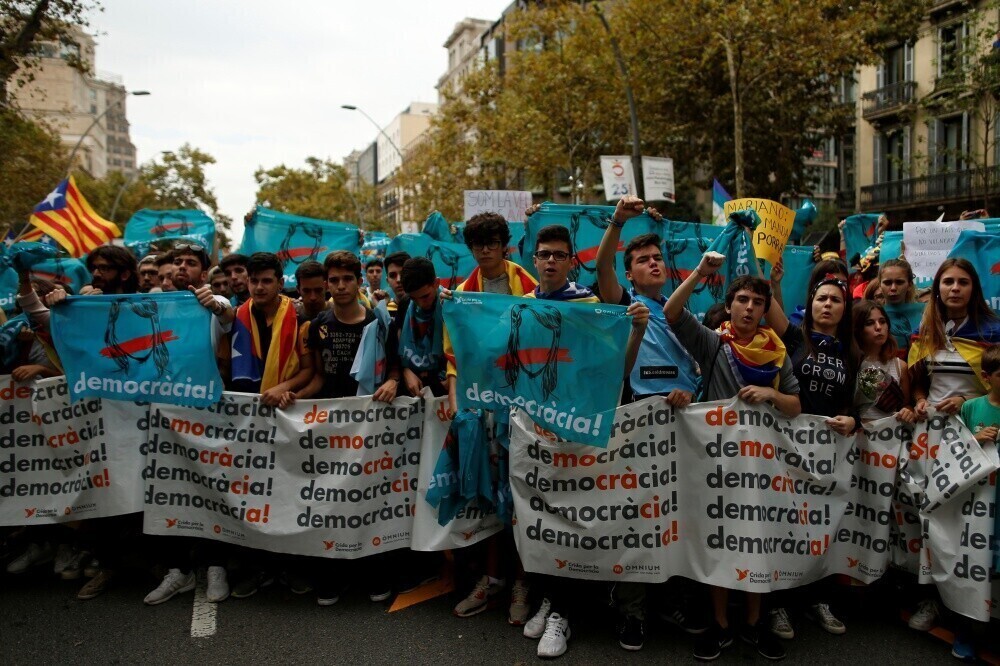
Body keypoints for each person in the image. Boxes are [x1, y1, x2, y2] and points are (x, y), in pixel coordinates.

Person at [519, 223, 649, 659]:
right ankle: (551, 599)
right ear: (534, 259)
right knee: (543, 517)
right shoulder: (522, 306)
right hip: (536, 430)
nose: (551, 261)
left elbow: (616, 370)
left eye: (559, 254)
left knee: (575, 517)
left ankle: (563, 613)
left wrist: (636, 332)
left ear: (571, 262)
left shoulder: (590, 307)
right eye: (544, 254)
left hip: (579, 428)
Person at [665, 252, 800, 662]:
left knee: (757, 540)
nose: (749, 308)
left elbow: (795, 404)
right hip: (718, 464)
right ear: (729, 306)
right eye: (742, 300)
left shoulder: (776, 352)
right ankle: (721, 624)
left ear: (764, 309)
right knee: (721, 541)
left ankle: (754, 624)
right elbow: (672, 312)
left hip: (761, 467)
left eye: (758, 302)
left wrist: (772, 393)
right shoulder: (713, 344)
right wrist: (700, 273)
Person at [594, 196, 701, 651]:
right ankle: (632, 609)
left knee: (677, 518)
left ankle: (671, 599)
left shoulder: (682, 314)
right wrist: (618, 221)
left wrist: (689, 394)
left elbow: (699, 370)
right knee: (638, 518)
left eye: (657, 257)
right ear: (630, 274)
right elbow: (602, 266)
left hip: (685, 425)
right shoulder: (627, 305)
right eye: (643, 260)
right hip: (639, 425)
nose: (653, 263)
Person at [443, 212, 538, 625]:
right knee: (492, 499)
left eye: (492, 242)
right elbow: (454, 357)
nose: (485, 250)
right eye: (478, 244)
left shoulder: (531, 285)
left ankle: (522, 582)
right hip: (483, 410)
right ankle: (494, 578)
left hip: (525, 409)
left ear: (505, 245)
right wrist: (456, 402)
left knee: (521, 496)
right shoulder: (461, 295)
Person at [291, 250, 401, 606]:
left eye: (347, 279)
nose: (340, 286)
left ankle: (374, 570)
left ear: (359, 282)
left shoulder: (379, 322)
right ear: (327, 284)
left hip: (370, 430)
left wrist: (393, 382)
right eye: (334, 280)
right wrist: (293, 398)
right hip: (330, 431)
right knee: (331, 499)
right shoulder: (317, 326)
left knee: (369, 499)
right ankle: (333, 574)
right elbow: (317, 377)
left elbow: (395, 367)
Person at [906, 257, 1000, 659]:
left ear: (974, 287)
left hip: (977, 438)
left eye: (963, 281)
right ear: (938, 287)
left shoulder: (993, 331)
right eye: (948, 281)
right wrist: (920, 399)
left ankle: (976, 611)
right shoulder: (926, 331)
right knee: (931, 521)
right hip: (931, 440)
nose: (955, 288)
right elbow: (916, 382)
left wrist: (966, 402)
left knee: (969, 528)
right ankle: (934, 600)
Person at [766, 263, 860, 640]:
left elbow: (854, 403)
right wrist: (773, 279)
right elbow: (770, 305)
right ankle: (777, 604)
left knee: (819, 526)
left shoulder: (851, 352)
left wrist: (853, 420)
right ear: (811, 303)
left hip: (827, 452)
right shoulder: (795, 337)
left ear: (844, 309)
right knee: (783, 523)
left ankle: (816, 599)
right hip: (787, 447)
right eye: (821, 298)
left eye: (835, 300)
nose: (827, 304)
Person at [143, 242, 235, 606]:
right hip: (164, 416)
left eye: (191, 262)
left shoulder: (213, 303)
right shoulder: (151, 305)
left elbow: (227, 314)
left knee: (210, 489)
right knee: (168, 491)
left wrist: (216, 305)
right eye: (178, 262)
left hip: (205, 417)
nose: (183, 267)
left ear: (204, 271)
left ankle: (216, 566)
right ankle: (178, 570)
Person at [225, 252, 315, 599]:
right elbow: (223, 365)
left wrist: (283, 388)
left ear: (280, 282)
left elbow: (308, 369)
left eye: (267, 281)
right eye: (254, 281)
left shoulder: (300, 317)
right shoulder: (235, 318)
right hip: (247, 423)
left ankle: (291, 567)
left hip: (286, 417)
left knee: (288, 494)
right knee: (251, 496)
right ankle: (258, 568)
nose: (259, 287)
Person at [853, 300, 913, 424]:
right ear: (857, 329)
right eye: (869, 323)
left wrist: (908, 412)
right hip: (856, 433)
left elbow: (906, 405)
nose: (878, 327)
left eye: (882, 321)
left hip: (889, 433)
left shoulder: (900, 366)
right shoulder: (849, 364)